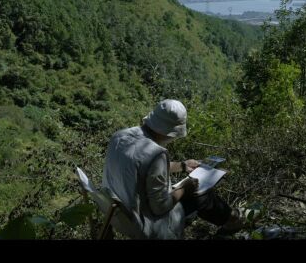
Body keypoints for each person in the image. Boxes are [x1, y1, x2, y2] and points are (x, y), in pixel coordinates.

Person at [101, 99, 245, 239]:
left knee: (196, 192)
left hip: (116, 213)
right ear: (170, 132)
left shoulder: (120, 136)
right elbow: (160, 207)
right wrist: (184, 189)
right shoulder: (156, 154)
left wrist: (182, 166)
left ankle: (232, 219)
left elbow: (142, 167)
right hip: (144, 222)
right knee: (202, 195)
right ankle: (233, 221)